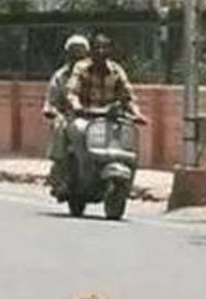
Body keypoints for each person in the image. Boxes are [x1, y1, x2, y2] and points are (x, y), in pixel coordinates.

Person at [66, 33, 147, 168]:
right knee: (78, 132)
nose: (101, 51)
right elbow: (72, 92)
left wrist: (137, 113)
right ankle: (81, 169)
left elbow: (128, 97)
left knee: (128, 141)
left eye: (105, 48)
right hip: (86, 118)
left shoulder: (116, 70)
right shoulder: (81, 68)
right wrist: (77, 106)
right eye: (97, 48)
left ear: (110, 51)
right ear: (91, 51)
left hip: (111, 119)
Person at [42, 34, 89, 201]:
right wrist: (52, 110)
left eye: (81, 52)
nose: (77, 56)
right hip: (69, 117)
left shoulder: (96, 73)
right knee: (59, 127)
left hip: (94, 118)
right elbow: (51, 101)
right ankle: (61, 175)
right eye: (73, 52)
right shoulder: (60, 76)